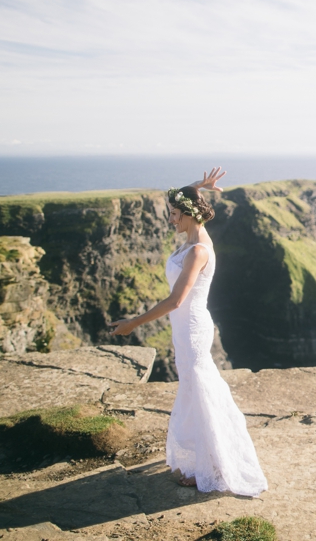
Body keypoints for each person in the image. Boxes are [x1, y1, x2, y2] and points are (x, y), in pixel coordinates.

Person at [110, 167, 268, 496]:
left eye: (175, 215)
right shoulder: (194, 237)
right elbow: (189, 207)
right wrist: (200, 187)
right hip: (184, 329)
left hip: (192, 327)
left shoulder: (198, 251)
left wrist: (133, 324)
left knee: (202, 394)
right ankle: (203, 461)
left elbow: (176, 299)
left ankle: (210, 468)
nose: (171, 220)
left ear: (189, 215)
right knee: (194, 392)